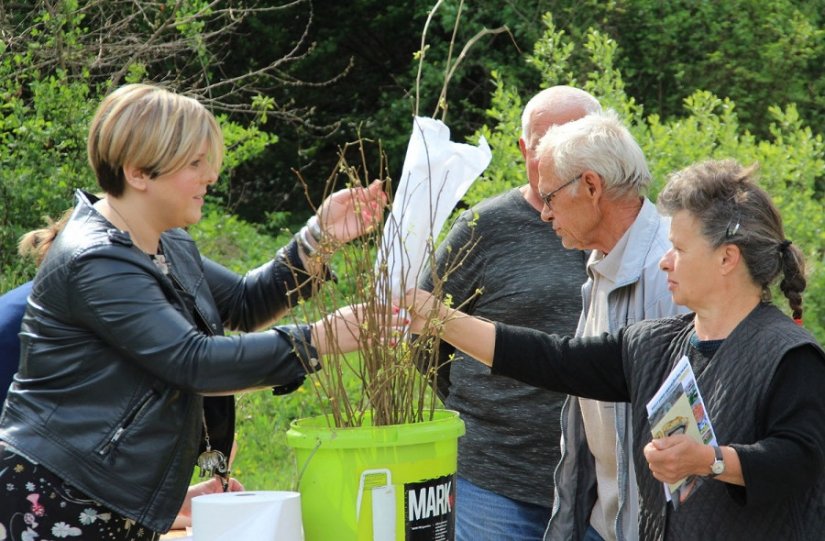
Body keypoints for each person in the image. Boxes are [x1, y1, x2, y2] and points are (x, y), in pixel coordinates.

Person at [0, 83, 385, 541]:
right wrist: (317, 340)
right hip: (57, 495)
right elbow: (193, 362)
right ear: (139, 172)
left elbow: (245, 302)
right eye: (195, 163)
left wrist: (318, 236)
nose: (211, 176)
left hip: (109, 494)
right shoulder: (96, 261)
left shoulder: (165, 243)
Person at [405, 159, 825, 539]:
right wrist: (440, 317)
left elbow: (801, 459)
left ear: (727, 258)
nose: (665, 262)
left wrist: (709, 461)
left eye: (678, 249)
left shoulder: (790, 354)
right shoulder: (653, 345)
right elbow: (553, 360)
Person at [418, 86, 597, 540]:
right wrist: (482, 411)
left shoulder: (620, 231)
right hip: (493, 479)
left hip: (599, 486)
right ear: (523, 149)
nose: (560, 154)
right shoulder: (483, 228)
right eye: (544, 142)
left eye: (576, 140)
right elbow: (422, 335)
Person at [530, 109, 688, 541]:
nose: (544, 213)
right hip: (605, 525)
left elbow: (699, 431)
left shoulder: (671, 272)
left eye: (549, 198)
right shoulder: (600, 263)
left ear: (592, 186)